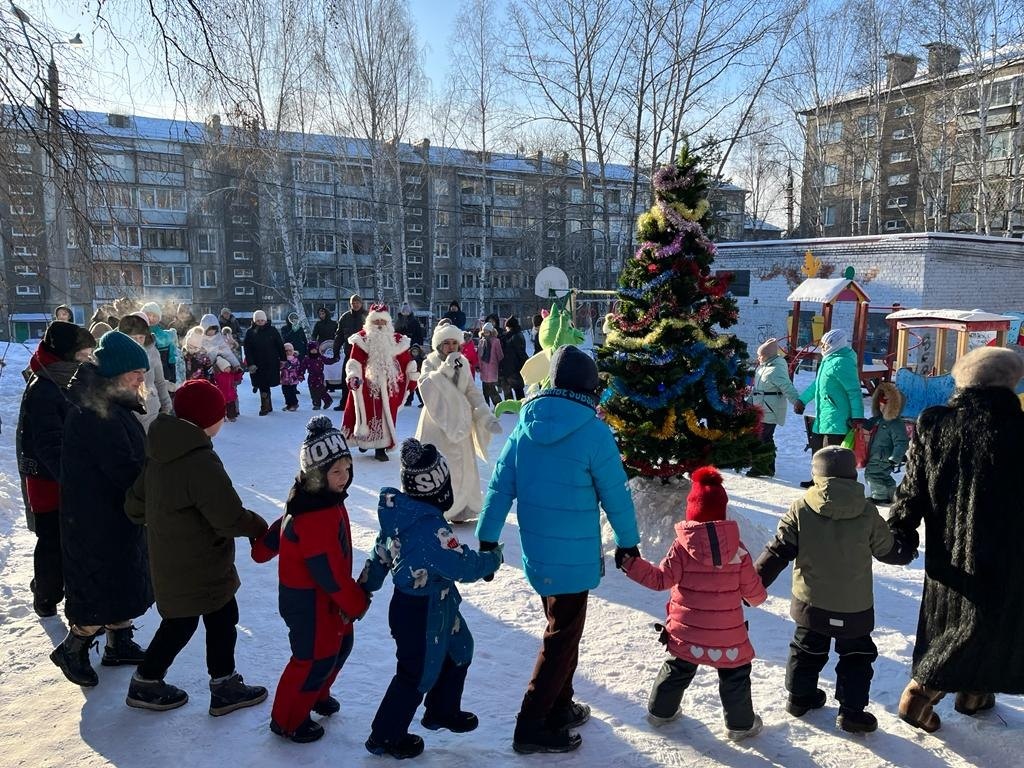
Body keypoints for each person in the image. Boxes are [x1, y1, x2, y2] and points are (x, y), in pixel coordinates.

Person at [476, 345, 641, 753]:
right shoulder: (593, 430)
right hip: (575, 556)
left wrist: (487, 537)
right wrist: (628, 543)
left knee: (561, 632)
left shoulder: (525, 423)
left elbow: (500, 486)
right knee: (561, 639)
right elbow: (616, 495)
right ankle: (531, 725)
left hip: (539, 554)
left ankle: (559, 706)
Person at [888, 347, 1024, 732]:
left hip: (951, 554)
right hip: (1014, 554)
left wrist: (901, 528)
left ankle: (974, 694)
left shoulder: (935, 424)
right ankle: (921, 692)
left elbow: (911, 488)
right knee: (996, 624)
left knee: (954, 623)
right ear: (1011, 382)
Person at [123, 380, 269, 714]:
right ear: (208, 420)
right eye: (220, 415)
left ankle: (218, 683)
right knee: (200, 620)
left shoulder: (159, 452)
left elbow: (134, 505)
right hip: (202, 563)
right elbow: (228, 517)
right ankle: (161, 682)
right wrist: (258, 527)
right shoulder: (199, 461)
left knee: (196, 619)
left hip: (170, 560)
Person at [754, 446, 915, 734]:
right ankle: (852, 712)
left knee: (805, 648)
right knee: (856, 656)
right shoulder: (867, 512)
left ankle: (799, 698)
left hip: (810, 604)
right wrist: (906, 550)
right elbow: (888, 550)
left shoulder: (801, 507)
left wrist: (753, 584)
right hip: (854, 607)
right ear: (853, 475)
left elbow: (778, 551)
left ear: (817, 475)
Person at [360, 439, 503, 759]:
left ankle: (442, 709)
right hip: (420, 611)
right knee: (415, 673)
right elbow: (460, 564)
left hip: (439, 604)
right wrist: (491, 560)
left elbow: (381, 553)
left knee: (460, 648)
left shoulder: (404, 517)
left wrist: (367, 582)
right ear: (440, 490)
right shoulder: (428, 528)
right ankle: (385, 735)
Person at [621, 467, 767, 741]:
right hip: (728, 634)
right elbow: (754, 594)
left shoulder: (681, 547)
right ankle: (740, 725)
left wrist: (631, 564)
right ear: (722, 510)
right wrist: (758, 597)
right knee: (735, 675)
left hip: (687, 631)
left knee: (678, 667)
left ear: (692, 510)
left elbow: (661, 579)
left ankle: (660, 712)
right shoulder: (738, 550)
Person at [252, 416, 369, 744]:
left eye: (347, 468)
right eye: (336, 472)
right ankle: (288, 719)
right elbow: (328, 573)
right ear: (316, 475)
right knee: (313, 658)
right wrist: (355, 600)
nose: (345, 478)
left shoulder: (317, 497)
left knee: (340, 646)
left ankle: (316, 693)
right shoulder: (315, 514)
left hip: (328, 600)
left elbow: (283, 523)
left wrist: (264, 548)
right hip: (310, 601)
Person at [51, 331, 154, 687]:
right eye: (135, 373)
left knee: (123, 577)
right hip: (96, 518)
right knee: (101, 585)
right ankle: (73, 647)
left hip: (114, 512)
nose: (142, 379)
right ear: (115, 373)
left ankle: (119, 643)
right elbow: (123, 467)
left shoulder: (112, 402)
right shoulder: (98, 411)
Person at [16, 321, 96, 617]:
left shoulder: (65, 379)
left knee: (67, 540)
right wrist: (72, 478)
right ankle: (46, 596)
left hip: (65, 477)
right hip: (48, 482)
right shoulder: (46, 388)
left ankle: (52, 586)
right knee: (51, 541)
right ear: (67, 354)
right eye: (84, 353)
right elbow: (49, 444)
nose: (88, 358)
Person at [414, 323, 502, 523]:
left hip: (461, 425)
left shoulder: (462, 364)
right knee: (439, 466)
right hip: (436, 425)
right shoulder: (430, 362)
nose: (451, 347)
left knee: (462, 466)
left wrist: (485, 416)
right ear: (439, 345)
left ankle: (461, 508)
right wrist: (445, 371)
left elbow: (472, 392)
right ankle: (436, 508)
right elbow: (425, 386)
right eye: (447, 343)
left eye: (455, 342)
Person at [341, 304, 418, 461]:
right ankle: (363, 441)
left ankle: (381, 448)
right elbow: (354, 361)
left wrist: (411, 373)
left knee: (386, 414)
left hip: (389, 386)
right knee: (366, 412)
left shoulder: (397, 341)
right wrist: (353, 375)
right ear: (370, 323)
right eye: (377, 322)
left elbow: (406, 360)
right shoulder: (362, 339)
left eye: (383, 322)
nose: (380, 325)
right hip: (367, 385)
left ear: (388, 323)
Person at [797, 329, 864, 488]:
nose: (823, 347)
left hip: (837, 419)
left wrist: (857, 417)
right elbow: (817, 386)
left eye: (825, 344)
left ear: (835, 344)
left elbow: (854, 391)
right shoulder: (828, 360)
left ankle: (830, 485)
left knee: (829, 455)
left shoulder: (842, 362)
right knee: (817, 452)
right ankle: (817, 480)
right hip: (823, 417)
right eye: (822, 344)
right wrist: (802, 400)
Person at [748, 338, 802, 478]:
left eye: (761, 355)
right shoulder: (762, 367)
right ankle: (766, 466)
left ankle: (762, 467)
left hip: (770, 409)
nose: (758, 357)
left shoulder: (776, 369)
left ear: (768, 355)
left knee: (764, 437)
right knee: (762, 437)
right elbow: (756, 389)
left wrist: (797, 402)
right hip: (760, 407)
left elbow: (787, 387)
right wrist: (748, 401)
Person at [118, 313, 173, 433]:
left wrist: (167, 406)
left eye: (141, 337)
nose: (137, 342)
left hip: (151, 412)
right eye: (133, 338)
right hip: (127, 415)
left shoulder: (152, 352)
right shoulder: (117, 355)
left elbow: (160, 381)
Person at [861, 382, 908, 504]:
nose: (881, 408)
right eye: (880, 405)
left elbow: (901, 441)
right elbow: (869, 424)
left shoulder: (895, 423)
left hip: (883, 457)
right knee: (883, 476)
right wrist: (859, 423)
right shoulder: (879, 419)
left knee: (872, 475)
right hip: (876, 455)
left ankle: (879, 496)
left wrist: (895, 457)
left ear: (893, 407)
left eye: (884, 406)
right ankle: (892, 493)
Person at [243, 309, 287, 416]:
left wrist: (283, 359)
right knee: (262, 385)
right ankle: (265, 406)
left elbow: (280, 345)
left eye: (262, 320)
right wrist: (250, 363)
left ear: (265, 320)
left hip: (271, 362)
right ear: (254, 321)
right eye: (258, 321)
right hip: (257, 363)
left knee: (266, 384)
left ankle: (268, 405)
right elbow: (247, 349)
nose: (260, 322)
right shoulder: (250, 332)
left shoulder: (272, 330)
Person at [200, 314, 242, 421]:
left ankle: (228, 413)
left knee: (222, 392)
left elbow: (227, 353)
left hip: (218, 369)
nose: (212, 332)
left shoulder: (219, 339)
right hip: (203, 368)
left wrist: (236, 364)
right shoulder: (200, 339)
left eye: (214, 329)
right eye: (209, 329)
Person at [332, 295, 368, 411]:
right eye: (353, 303)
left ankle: (366, 404)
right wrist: (336, 351)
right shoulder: (345, 317)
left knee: (365, 380)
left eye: (358, 302)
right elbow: (339, 336)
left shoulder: (367, 316)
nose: (356, 305)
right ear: (350, 304)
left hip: (365, 354)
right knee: (346, 379)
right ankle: (345, 403)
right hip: (350, 354)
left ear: (361, 303)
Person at [140, 301, 179, 386]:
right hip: (143, 376)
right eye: (148, 315)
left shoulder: (166, 336)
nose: (151, 318)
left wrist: (172, 378)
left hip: (164, 376)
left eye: (154, 316)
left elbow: (171, 358)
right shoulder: (137, 334)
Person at [498, 316, 528, 401]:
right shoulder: (515, 335)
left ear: (510, 327)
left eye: (506, 327)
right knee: (517, 388)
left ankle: (515, 406)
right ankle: (518, 405)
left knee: (515, 388)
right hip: (514, 366)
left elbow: (519, 352)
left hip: (513, 366)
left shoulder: (514, 337)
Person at [476, 323, 504, 408]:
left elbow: (499, 354)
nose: (485, 333)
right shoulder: (481, 341)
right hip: (483, 368)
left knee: (491, 389)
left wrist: (501, 365)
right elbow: (479, 355)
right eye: (484, 331)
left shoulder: (496, 341)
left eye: (487, 331)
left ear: (491, 332)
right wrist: (478, 366)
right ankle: (486, 405)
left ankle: (499, 405)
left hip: (492, 367)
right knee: (485, 389)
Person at [302, 340, 333, 410]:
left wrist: (334, 359)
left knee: (320, 390)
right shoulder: (307, 359)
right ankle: (316, 404)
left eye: (315, 349)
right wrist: (301, 374)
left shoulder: (320, 357)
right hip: (311, 376)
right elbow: (302, 367)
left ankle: (328, 400)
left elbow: (328, 361)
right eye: (312, 350)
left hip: (319, 376)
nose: (313, 351)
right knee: (313, 391)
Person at [280, 342, 304, 411]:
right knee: (285, 392)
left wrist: (300, 375)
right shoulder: (283, 360)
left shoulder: (295, 359)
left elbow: (297, 367)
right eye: (286, 351)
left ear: (293, 351)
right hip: (284, 379)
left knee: (292, 392)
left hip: (293, 379)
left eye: (290, 350)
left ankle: (294, 404)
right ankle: (288, 404)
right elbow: (280, 368)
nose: (288, 352)